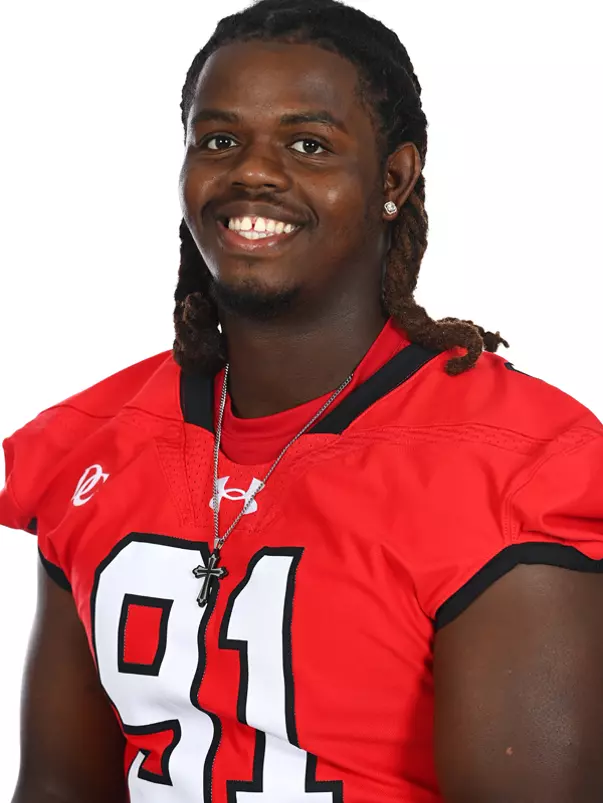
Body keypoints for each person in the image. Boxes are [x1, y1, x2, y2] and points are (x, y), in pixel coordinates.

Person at [3, 0, 603, 800]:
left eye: (307, 144)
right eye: (219, 140)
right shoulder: (96, 438)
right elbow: (57, 785)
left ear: (393, 176)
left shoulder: (515, 463)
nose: (252, 170)